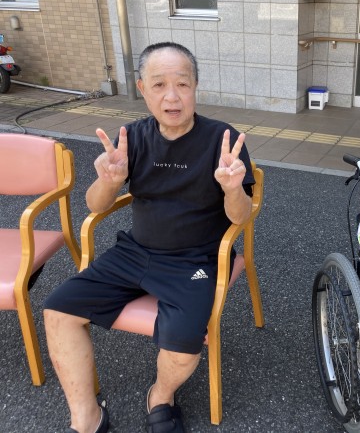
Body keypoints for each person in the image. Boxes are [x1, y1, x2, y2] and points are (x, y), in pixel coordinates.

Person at [43, 42, 255, 433]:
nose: (172, 97)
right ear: (142, 89)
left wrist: (231, 189)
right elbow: (94, 205)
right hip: (134, 252)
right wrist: (110, 181)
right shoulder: (133, 137)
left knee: (183, 346)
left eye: (182, 84)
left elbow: (241, 217)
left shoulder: (222, 140)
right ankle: (86, 416)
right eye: (159, 85)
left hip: (195, 260)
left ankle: (160, 395)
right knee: (58, 310)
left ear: (195, 86)